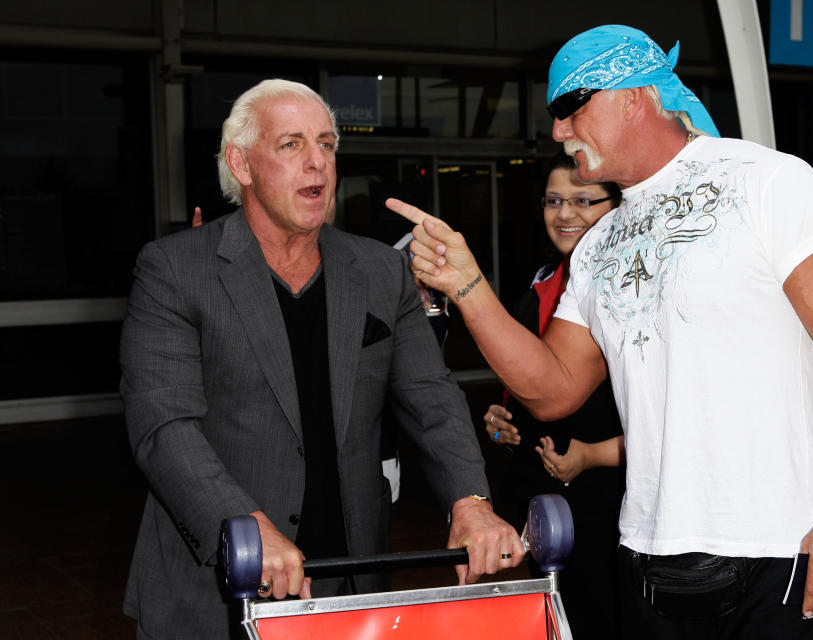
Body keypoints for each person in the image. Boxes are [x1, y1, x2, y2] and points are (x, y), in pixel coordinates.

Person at [388, 24, 813, 639]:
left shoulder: (770, 181)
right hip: (646, 551)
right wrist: (468, 286)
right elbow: (554, 389)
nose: (558, 131)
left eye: (571, 107)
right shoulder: (597, 244)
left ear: (636, 95)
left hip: (778, 548)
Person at [120, 78, 523, 639]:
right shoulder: (175, 270)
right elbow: (164, 427)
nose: (317, 163)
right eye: (291, 145)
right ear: (241, 163)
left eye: (327, 144)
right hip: (214, 589)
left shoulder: (380, 271)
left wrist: (470, 500)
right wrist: (245, 525)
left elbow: (431, 396)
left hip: (350, 585)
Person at [482, 151, 625, 637]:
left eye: (584, 200)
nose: (565, 215)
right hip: (543, 498)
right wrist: (504, 421)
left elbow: (675, 418)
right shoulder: (541, 281)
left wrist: (594, 456)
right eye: (553, 201)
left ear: (617, 204)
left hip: (612, 501)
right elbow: (526, 385)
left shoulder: (633, 285)